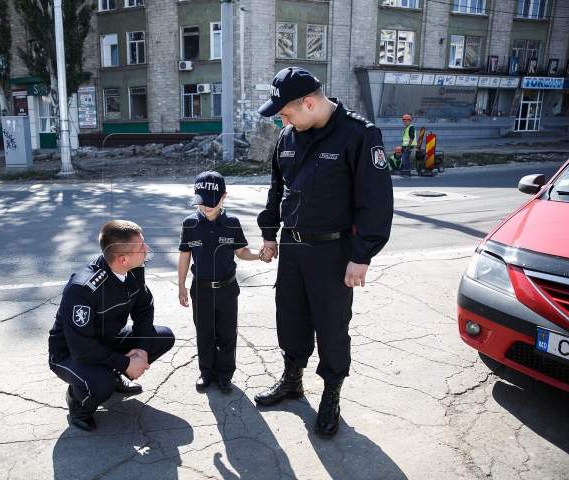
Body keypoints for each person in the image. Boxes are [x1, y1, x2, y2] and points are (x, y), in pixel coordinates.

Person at [255, 67, 393, 438]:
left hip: (333, 252)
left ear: (310, 103)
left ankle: (331, 394)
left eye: (286, 113)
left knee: (332, 327)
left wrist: (362, 255)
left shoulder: (359, 135)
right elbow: (276, 189)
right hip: (292, 249)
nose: (282, 120)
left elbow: (375, 203)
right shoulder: (289, 135)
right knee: (291, 318)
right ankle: (292, 380)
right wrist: (269, 234)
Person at [48, 220, 175, 431]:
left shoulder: (133, 271)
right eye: (141, 247)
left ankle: (110, 374)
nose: (147, 249)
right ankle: (78, 401)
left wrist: (141, 350)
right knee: (101, 382)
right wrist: (125, 364)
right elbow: (82, 348)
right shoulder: (83, 288)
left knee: (163, 337)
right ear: (123, 258)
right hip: (69, 354)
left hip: (107, 341)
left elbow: (144, 310)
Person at [178, 171, 261, 393]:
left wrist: (259, 255)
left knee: (226, 332)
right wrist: (181, 286)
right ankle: (206, 372)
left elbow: (242, 252)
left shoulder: (232, 223)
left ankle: (225, 373)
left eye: (211, 204)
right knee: (204, 331)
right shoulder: (189, 224)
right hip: (201, 288)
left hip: (227, 288)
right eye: (201, 203)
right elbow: (185, 256)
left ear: (223, 197)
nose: (205, 208)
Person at [401, 114, 416, 178]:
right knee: (405, 159)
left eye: (406, 121)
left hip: (408, 146)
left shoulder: (411, 127)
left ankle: (407, 173)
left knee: (405, 160)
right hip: (405, 146)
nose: (405, 122)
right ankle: (406, 172)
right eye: (404, 121)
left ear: (409, 121)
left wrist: (408, 146)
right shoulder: (407, 128)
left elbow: (412, 137)